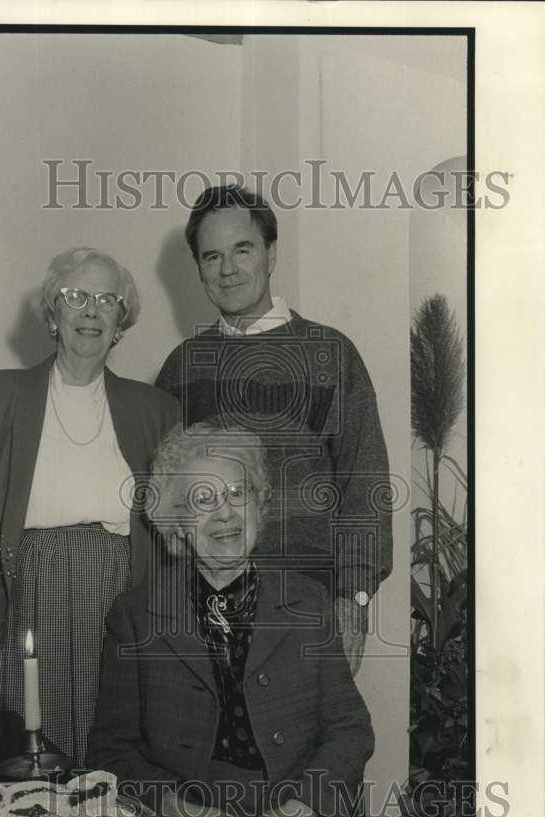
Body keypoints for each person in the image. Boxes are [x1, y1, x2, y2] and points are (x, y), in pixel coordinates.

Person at [87, 421, 408, 817]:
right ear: (177, 524)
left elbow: (351, 731)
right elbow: (112, 754)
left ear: (259, 506)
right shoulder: (136, 616)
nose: (226, 513)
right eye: (203, 499)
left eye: (238, 494)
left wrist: (298, 812)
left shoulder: (307, 604)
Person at [0, 248, 179, 764]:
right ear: (52, 314)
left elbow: (174, 536)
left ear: (120, 323)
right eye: (76, 297)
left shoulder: (157, 411)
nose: (91, 311)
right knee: (25, 766)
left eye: (107, 301)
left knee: (115, 762)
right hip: (23, 602)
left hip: (119, 608)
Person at [155, 185, 393, 675]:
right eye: (212, 255)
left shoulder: (329, 352)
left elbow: (364, 481)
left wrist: (355, 595)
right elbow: (161, 496)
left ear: (271, 253)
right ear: (198, 266)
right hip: (203, 610)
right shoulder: (182, 367)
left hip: (309, 605)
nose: (227, 269)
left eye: (242, 249)